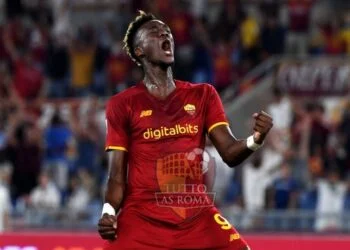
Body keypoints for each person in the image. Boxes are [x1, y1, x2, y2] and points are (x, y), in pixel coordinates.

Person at [98, 11, 273, 250]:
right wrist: (108, 212)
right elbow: (117, 176)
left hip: (195, 213)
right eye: (154, 32)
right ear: (139, 51)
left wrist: (257, 138)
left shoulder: (203, 94)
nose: (164, 34)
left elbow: (230, 153)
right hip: (142, 217)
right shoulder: (122, 104)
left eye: (167, 32)